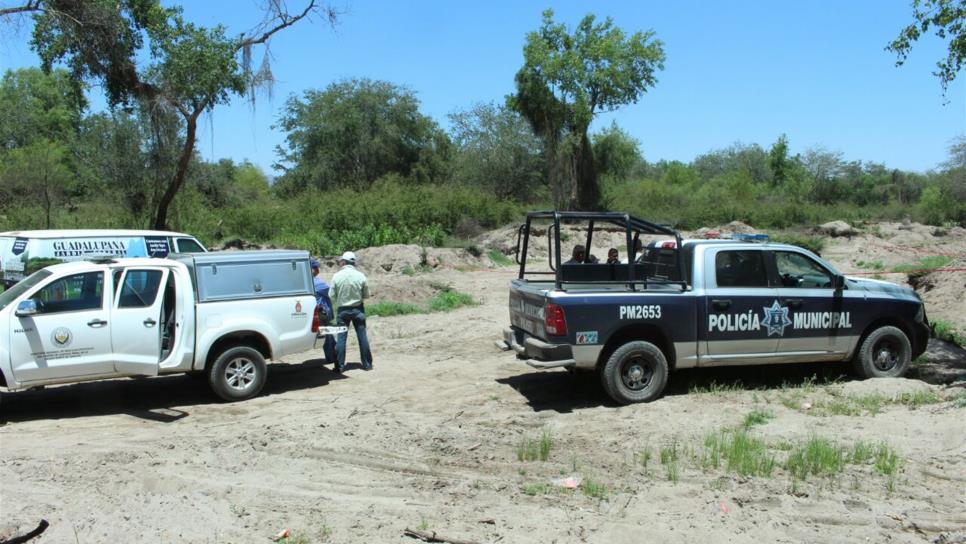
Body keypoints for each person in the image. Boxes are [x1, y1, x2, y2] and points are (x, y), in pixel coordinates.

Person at [330, 251, 373, 371]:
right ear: (354, 262)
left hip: (343, 310)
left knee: (341, 338)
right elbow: (367, 295)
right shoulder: (361, 276)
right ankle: (367, 364)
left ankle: (340, 366)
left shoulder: (336, 276)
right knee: (362, 337)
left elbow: (331, 295)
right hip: (358, 309)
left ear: (343, 262)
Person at [311, 259, 336, 367]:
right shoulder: (317, 282)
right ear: (312, 269)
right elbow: (331, 292)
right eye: (316, 268)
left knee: (327, 335)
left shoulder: (308, 282)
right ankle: (331, 358)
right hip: (322, 313)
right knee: (328, 335)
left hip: (316, 312)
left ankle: (331, 356)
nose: (318, 270)